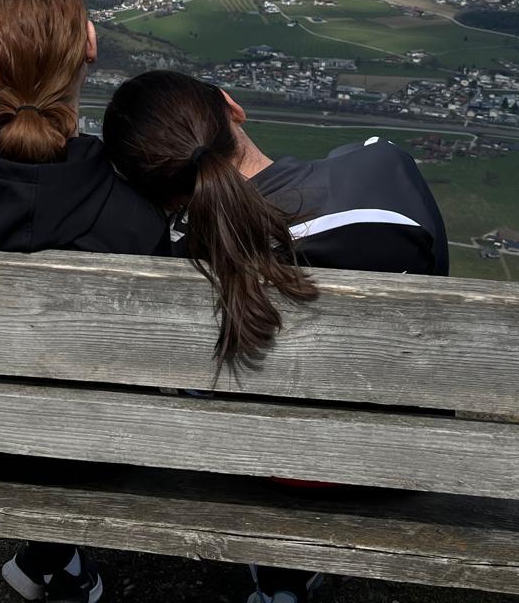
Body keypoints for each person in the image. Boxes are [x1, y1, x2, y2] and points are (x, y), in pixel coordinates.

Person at [100, 69, 448, 603]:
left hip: (258, 464)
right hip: (397, 460)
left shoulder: (170, 259)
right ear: (232, 107)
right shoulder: (385, 174)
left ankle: (281, 581)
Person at [0, 0, 169, 603]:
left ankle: (52, 559)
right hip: (90, 455)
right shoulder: (135, 216)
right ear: (89, 46)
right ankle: (54, 558)